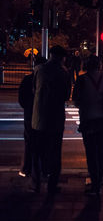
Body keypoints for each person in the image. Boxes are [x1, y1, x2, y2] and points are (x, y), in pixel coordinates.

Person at [31, 45, 71, 193]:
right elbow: (67, 96)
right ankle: (52, 185)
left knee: (37, 152)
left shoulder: (39, 70)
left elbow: (34, 90)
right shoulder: (64, 73)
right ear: (62, 58)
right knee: (55, 152)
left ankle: (36, 184)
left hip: (38, 118)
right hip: (56, 118)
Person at [72, 55, 103, 195]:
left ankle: (94, 184)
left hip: (88, 120)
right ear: (99, 65)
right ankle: (99, 180)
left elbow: (75, 100)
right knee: (100, 151)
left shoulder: (82, 79)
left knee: (90, 152)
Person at [18, 56, 47, 178]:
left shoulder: (27, 79)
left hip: (29, 115)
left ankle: (27, 168)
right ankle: (43, 170)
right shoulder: (46, 80)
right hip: (43, 116)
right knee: (43, 143)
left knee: (30, 142)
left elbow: (21, 99)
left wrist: (28, 108)